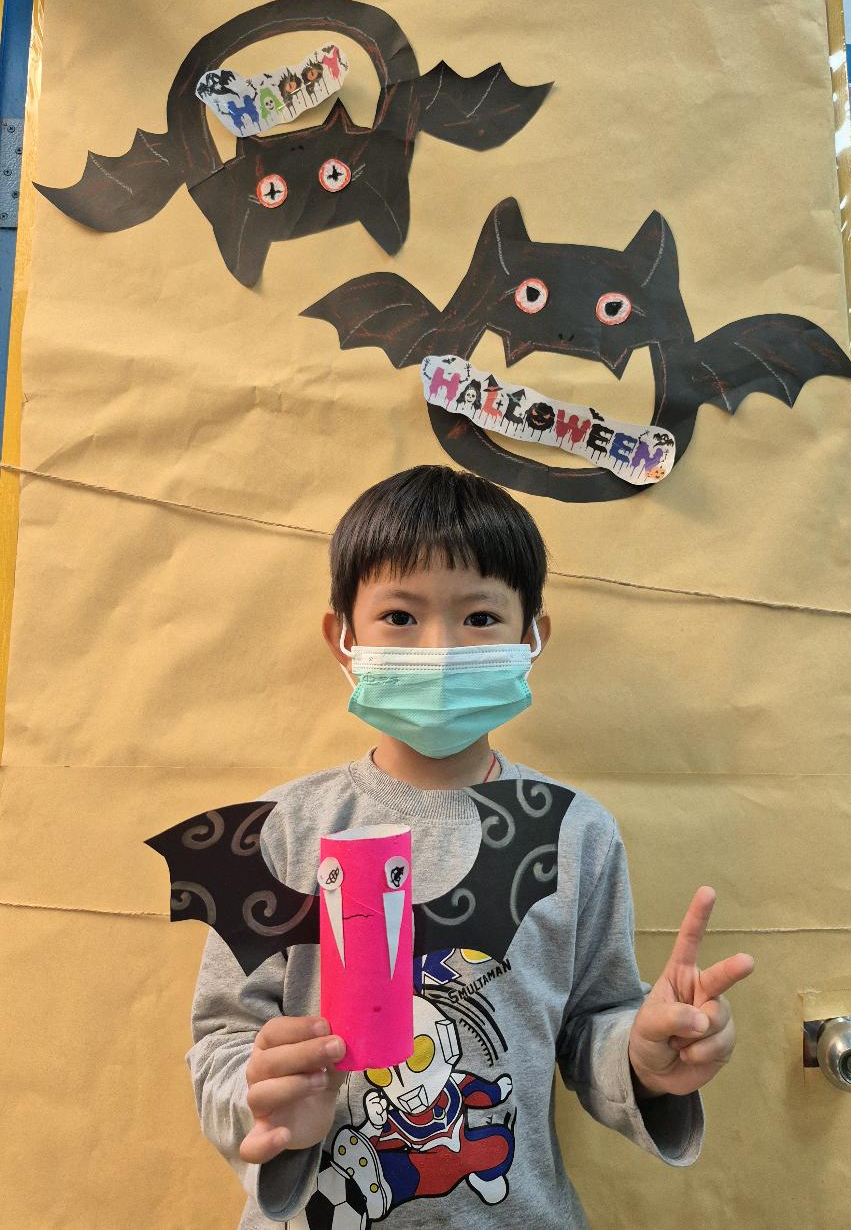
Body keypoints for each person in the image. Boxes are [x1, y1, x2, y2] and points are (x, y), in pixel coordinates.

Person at [188, 465, 754, 1229]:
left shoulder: (572, 832)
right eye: (399, 615)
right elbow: (223, 1036)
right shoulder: (278, 830)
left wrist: (644, 1057)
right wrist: (258, 1095)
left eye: (480, 617)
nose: (441, 647)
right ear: (343, 637)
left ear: (531, 637)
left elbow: (593, 1025)